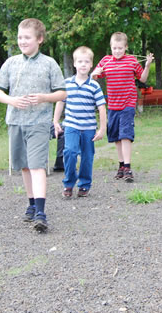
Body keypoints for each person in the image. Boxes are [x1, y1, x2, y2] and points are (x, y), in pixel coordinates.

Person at [0, 18, 66, 232]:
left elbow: (62, 92)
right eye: (19, 37)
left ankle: (41, 213)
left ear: (40, 39)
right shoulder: (11, 63)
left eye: (27, 37)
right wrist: (12, 100)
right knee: (24, 165)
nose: (22, 41)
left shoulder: (49, 63)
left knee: (37, 165)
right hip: (15, 122)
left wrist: (44, 97)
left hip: (40, 123)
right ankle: (32, 204)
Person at [91, 32, 153, 182]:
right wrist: (94, 73)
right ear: (111, 48)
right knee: (116, 137)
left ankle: (128, 167)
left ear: (126, 47)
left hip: (128, 104)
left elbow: (142, 79)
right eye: (114, 48)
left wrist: (147, 66)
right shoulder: (106, 61)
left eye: (120, 48)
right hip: (113, 105)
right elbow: (93, 77)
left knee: (125, 135)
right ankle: (121, 166)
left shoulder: (131, 61)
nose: (117, 51)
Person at [53, 46, 107, 198]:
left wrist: (102, 129)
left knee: (87, 156)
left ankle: (84, 184)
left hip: (88, 127)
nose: (83, 64)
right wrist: (56, 121)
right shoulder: (67, 83)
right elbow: (60, 102)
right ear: (74, 64)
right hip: (71, 125)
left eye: (86, 62)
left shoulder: (94, 86)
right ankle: (68, 183)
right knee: (69, 152)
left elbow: (102, 108)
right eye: (80, 61)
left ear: (91, 65)